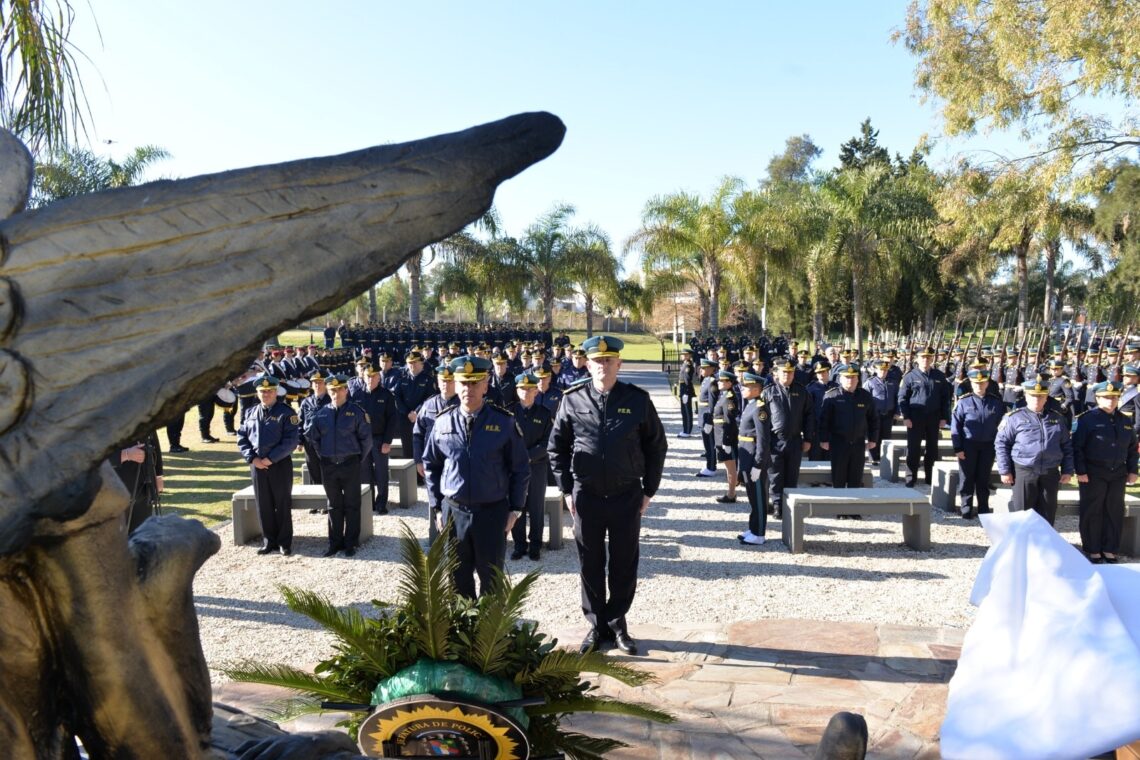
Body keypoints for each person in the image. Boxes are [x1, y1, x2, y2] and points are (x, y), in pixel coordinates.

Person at [548, 335, 668, 656]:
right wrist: (566, 490)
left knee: (623, 561)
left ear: (619, 364)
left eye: (608, 361)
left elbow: (656, 446)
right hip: (586, 495)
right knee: (590, 561)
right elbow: (556, 447)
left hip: (626, 494)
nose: (603, 366)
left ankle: (617, 623)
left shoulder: (638, 400)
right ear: (587, 364)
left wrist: (649, 490)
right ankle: (595, 625)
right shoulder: (572, 400)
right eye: (597, 361)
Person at [423, 357, 530, 598]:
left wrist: (515, 509)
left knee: (491, 579)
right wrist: (437, 507)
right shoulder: (442, 422)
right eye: (463, 383)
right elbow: (431, 464)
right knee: (457, 579)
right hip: (454, 512)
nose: (468, 389)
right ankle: (463, 633)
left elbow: (521, 468)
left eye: (475, 383)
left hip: (492, 512)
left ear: (486, 385)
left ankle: (488, 633)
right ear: (455, 384)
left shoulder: (503, 422)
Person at [1072, 381, 1139, 564]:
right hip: (1093, 472)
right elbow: (1077, 448)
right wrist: (1081, 471)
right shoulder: (1086, 419)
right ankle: (1093, 549)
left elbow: (1132, 448)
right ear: (1097, 398)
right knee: (1093, 510)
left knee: (1114, 510)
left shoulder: (1125, 420)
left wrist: (1133, 470)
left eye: (1115, 397)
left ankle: (1110, 548)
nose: (1111, 401)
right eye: (1107, 397)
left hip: (1118, 473)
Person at [308, 374, 373, 557]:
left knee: (352, 504)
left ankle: (351, 543)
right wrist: (325, 457)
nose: (335, 393)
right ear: (328, 391)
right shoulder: (321, 414)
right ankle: (334, 543)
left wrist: (356, 458)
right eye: (332, 390)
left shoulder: (357, 412)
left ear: (346, 390)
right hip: (329, 465)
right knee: (333, 505)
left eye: (339, 389)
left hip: (350, 463)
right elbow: (315, 439)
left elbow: (366, 440)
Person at [994, 379, 1075, 525]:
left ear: (1046, 397)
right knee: (1022, 515)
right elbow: (1001, 444)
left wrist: (1067, 470)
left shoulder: (1057, 418)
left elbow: (1067, 446)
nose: (1037, 399)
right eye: (1033, 396)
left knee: (1047, 515)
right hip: (1024, 471)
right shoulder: (1014, 418)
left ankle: (1042, 546)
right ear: (1026, 396)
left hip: (1050, 472)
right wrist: (1005, 470)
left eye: (1040, 396)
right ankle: (1022, 546)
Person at [236, 376, 300, 555]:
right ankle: (269, 540)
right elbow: (241, 438)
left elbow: (291, 440)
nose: (266, 394)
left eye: (270, 391)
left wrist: (270, 459)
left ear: (276, 392)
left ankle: (284, 542)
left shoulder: (286, 412)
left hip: (279, 464)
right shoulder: (250, 412)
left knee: (282, 503)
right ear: (257, 393)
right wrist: (253, 459)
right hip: (257, 465)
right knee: (263, 504)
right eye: (262, 391)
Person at [761, 358, 815, 520]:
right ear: (777, 373)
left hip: (794, 441)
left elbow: (809, 416)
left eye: (790, 372)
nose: (788, 375)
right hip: (774, 441)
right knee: (776, 476)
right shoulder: (768, 392)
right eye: (784, 372)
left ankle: (789, 505)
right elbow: (762, 419)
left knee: (792, 475)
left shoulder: (802, 391)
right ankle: (777, 505)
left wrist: (808, 439)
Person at [950, 368, 1005, 519]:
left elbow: (1003, 425)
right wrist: (958, 447)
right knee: (967, 477)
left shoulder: (996, 402)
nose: (979, 386)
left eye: (982, 383)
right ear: (971, 384)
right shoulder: (963, 402)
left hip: (988, 445)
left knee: (983, 477)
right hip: (968, 444)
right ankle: (966, 507)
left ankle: (983, 507)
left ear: (987, 383)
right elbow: (956, 426)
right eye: (976, 383)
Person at [510, 371, 554, 561]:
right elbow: (503, 441)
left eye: (530, 389)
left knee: (536, 507)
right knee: (516, 505)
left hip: (537, 467)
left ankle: (535, 544)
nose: (526, 392)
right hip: (514, 469)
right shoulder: (508, 413)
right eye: (522, 389)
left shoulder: (544, 414)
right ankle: (519, 545)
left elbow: (548, 443)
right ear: (517, 390)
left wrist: (527, 457)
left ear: (536, 391)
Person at [818, 363, 878, 494]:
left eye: (853, 377)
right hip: (838, 443)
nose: (850, 380)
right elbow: (824, 421)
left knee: (855, 477)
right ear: (840, 378)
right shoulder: (831, 396)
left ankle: (853, 510)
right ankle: (840, 509)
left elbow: (873, 419)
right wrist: (823, 440)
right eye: (847, 377)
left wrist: (873, 439)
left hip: (858, 443)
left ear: (858, 379)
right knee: (839, 477)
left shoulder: (865, 396)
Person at [897, 346, 951, 487]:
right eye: (922, 357)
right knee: (913, 448)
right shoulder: (910, 376)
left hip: (934, 417)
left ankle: (930, 477)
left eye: (928, 357)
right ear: (917, 359)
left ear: (932, 358)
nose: (925, 360)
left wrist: (944, 417)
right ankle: (910, 477)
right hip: (915, 417)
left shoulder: (939, 376)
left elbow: (946, 398)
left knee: (932, 449)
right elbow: (902, 398)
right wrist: (906, 417)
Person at [735, 370, 768, 546]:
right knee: (751, 496)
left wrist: (758, 464)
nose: (742, 389)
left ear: (756, 389)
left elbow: (763, 439)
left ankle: (759, 533)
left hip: (755, 458)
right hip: (746, 454)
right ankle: (753, 527)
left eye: (746, 386)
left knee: (758, 497)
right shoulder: (750, 404)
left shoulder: (760, 408)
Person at [110, 431, 164, 534]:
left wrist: (158, 476)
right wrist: (125, 454)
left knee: (142, 534)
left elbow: (153, 443)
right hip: (116, 489)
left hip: (144, 486)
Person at [711, 369, 740, 503]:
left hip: (725, 436)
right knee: (728, 466)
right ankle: (730, 492)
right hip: (720, 435)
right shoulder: (724, 395)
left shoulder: (729, 398)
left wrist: (727, 440)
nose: (719, 382)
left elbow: (729, 420)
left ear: (729, 383)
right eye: (719, 380)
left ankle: (731, 494)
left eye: (722, 381)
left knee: (731, 467)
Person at [865, 360, 897, 465]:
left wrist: (897, 412)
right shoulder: (870, 382)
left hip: (888, 414)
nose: (883, 372)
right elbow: (865, 399)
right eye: (881, 370)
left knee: (886, 437)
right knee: (874, 436)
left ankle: (885, 458)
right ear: (876, 370)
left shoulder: (893, 382)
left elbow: (897, 398)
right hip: (875, 415)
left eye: (885, 370)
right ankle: (873, 458)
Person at [696, 358, 719, 477]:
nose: (702, 369)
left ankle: (711, 467)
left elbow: (712, 403)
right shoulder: (706, 380)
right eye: (701, 367)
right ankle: (709, 464)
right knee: (706, 443)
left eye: (704, 368)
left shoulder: (712, 382)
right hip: (703, 415)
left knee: (710, 443)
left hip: (708, 417)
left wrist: (710, 421)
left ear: (712, 369)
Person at [677, 348, 696, 438]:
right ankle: (685, 429)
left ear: (689, 356)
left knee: (687, 411)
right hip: (683, 390)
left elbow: (688, 380)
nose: (683, 356)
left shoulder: (688, 365)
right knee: (684, 411)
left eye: (685, 355)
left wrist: (687, 393)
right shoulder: (685, 364)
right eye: (682, 354)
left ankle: (687, 430)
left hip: (686, 391)